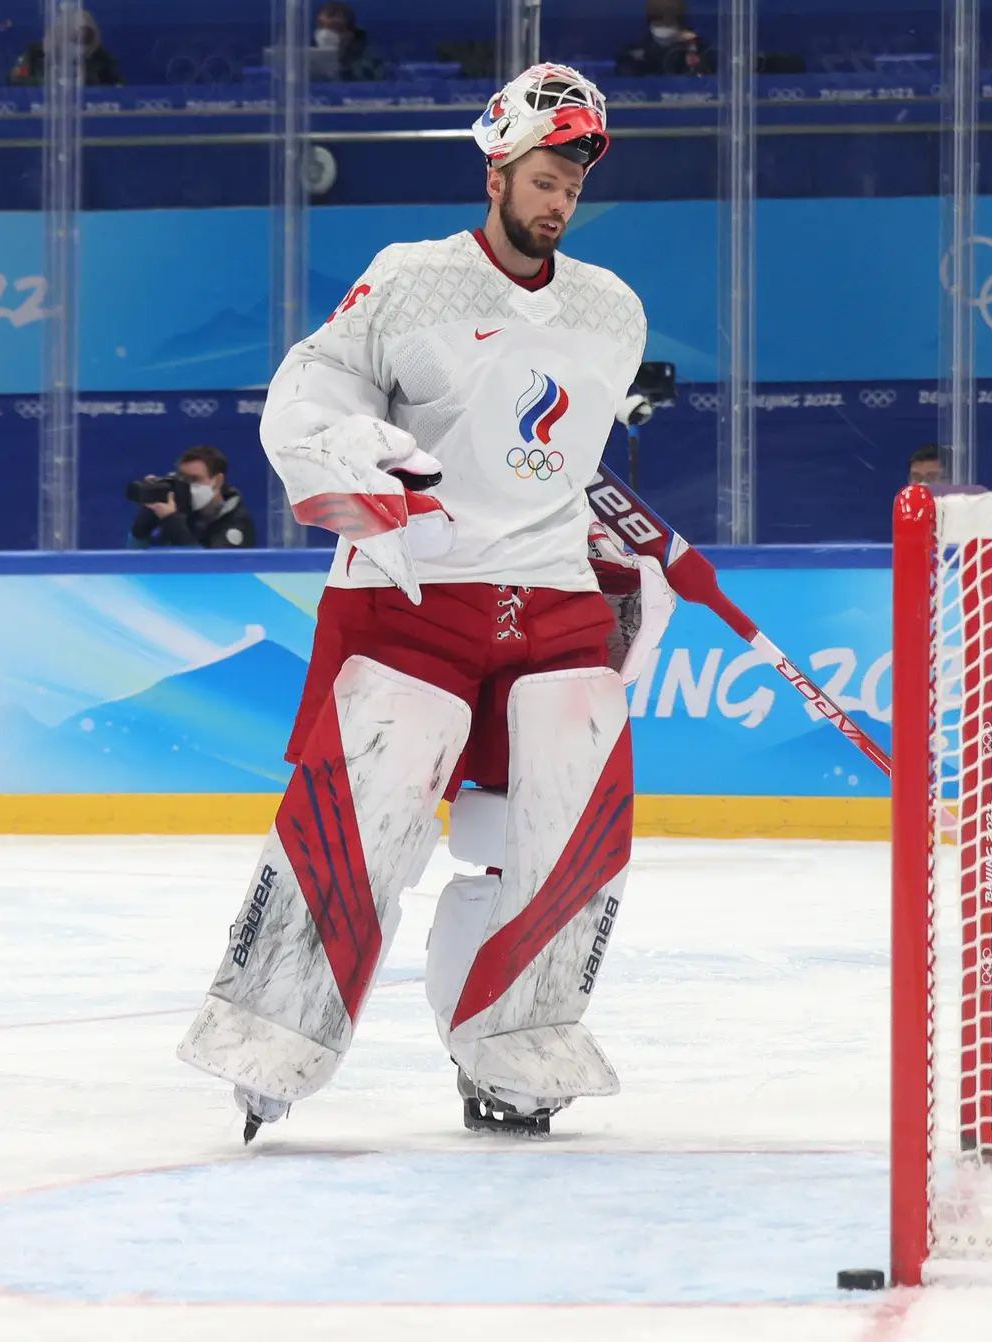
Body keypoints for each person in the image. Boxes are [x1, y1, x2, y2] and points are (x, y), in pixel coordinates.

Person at [175, 64, 671, 1145]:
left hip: (551, 594)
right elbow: (313, 391)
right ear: (497, 169)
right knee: (371, 803)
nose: (557, 203)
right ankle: (273, 1036)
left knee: (570, 817)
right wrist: (354, 447)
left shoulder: (611, 311)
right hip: (415, 592)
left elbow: (558, 455)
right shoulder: (411, 281)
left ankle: (520, 1049)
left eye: (571, 189)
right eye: (542, 178)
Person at [129, 446, 256, 549]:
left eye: (194, 479)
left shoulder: (237, 522)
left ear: (217, 481)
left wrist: (173, 522)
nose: (187, 485)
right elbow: (134, 559)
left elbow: (209, 571)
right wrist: (145, 521)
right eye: (182, 478)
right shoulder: (182, 511)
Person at [9, 7, 123, 88]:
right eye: (73, 37)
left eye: (84, 39)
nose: (77, 44)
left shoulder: (99, 57)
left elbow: (119, 86)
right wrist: (44, 86)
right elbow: (16, 80)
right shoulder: (34, 53)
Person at [616, 0, 709, 77]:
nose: (665, 24)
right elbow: (626, 80)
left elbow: (706, 78)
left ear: (680, 20)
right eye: (658, 18)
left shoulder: (699, 50)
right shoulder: (633, 55)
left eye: (670, 20)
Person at [314, 2, 390, 81]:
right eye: (322, 27)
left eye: (335, 29)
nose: (325, 35)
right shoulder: (318, 40)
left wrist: (343, 52)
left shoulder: (359, 41)